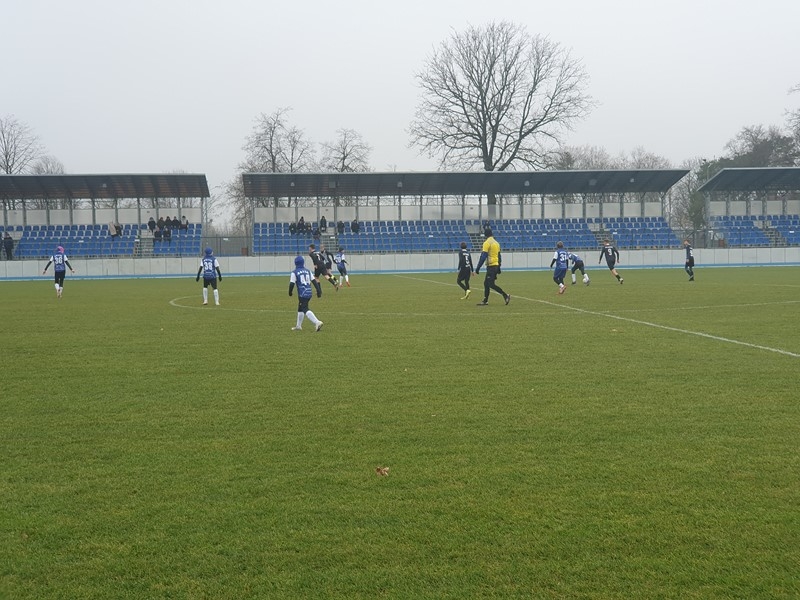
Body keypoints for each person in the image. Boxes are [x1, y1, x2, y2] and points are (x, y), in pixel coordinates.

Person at [474, 227, 510, 306]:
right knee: (486, 283)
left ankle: (505, 295)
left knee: (490, 284)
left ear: (485, 234)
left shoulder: (487, 243)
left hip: (491, 266)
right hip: (495, 265)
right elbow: (499, 256)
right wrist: (499, 266)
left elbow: (483, 256)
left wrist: (478, 268)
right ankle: (485, 300)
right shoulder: (496, 243)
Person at [289, 256, 324, 332]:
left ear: (295, 263)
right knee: (300, 308)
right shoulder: (308, 271)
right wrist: (318, 291)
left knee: (304, 308)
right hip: (309, 292)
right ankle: (298, 326)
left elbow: (291, 284)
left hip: (302, 293)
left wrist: (290, 292)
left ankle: (317, 322)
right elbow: (314, 281)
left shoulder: (294, 272)